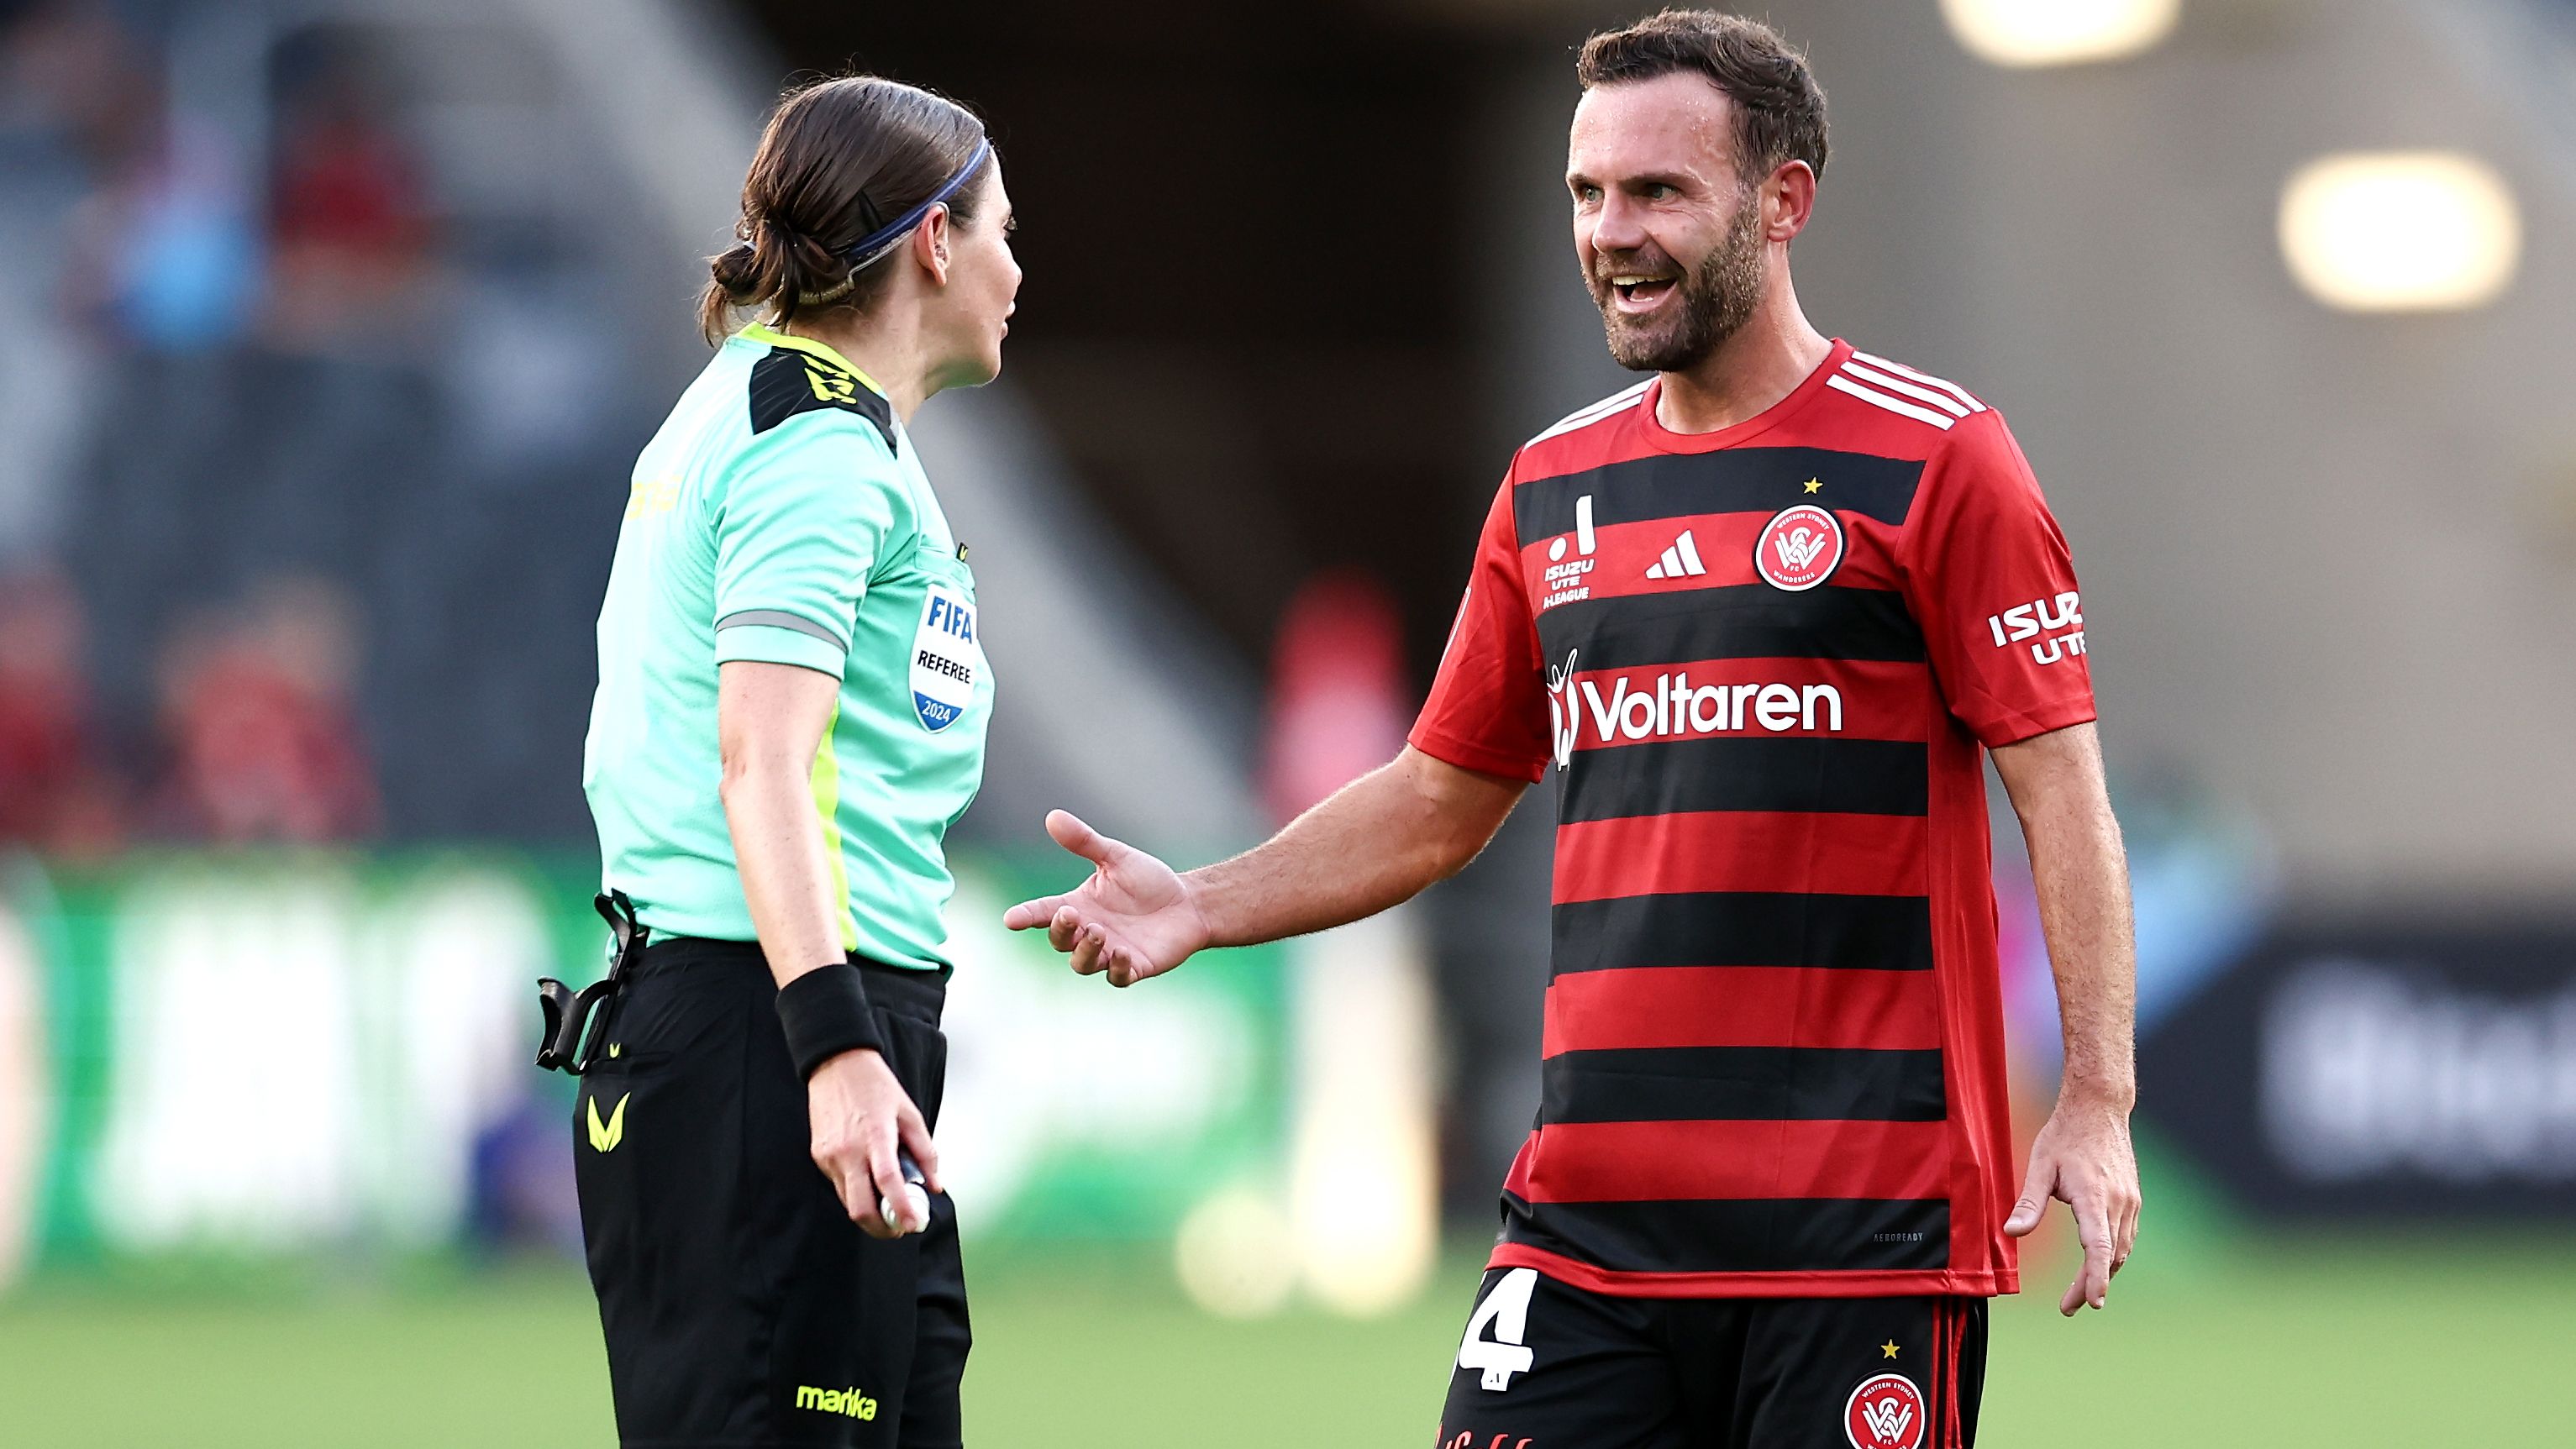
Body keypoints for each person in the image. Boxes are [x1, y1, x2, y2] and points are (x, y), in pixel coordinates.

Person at [1004, 12, 2137, 1447]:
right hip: (1583, 1230)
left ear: (1781, 203)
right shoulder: (1554, 485)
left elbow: (2064, 797)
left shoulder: (1937, 460)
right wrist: (1204, 900)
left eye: (1658, 191)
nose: (1611, 231)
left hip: (1855, 1228)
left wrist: (2094, 1096)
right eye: (1587, 193)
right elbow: (1434, 797)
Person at [575, 75, 1017, 1449]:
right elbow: (761, 758)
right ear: (935, 242)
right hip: (774, 1033)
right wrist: (831, 1046)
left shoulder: (787, 416)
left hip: (784, 1027)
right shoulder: (814, 444)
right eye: (1003, 225)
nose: (1017, 264)